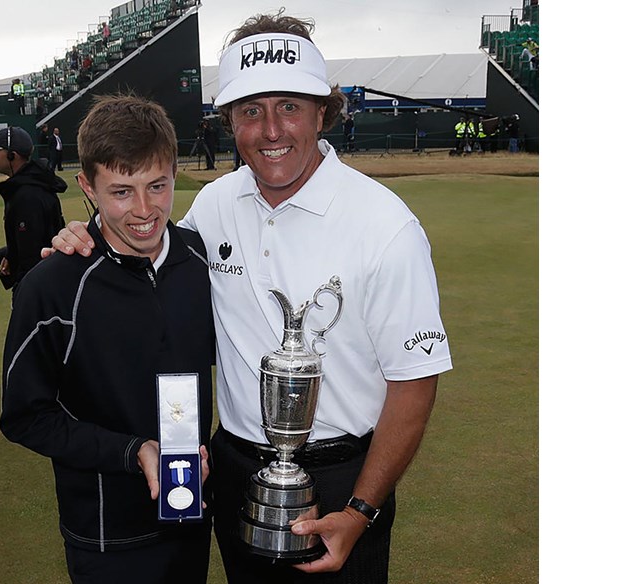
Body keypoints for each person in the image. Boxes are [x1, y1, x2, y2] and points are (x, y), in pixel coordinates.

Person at [48, 10, 452, 584]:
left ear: (322, 112)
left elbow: (415, 379)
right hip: (235, 473)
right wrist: (84, 232)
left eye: (289, 106)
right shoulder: (215, 204)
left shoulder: (385, 226)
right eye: (250, 111)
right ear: (230, 121)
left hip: (342, 480)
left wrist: (362, 509)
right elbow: (144, 247)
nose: (271, 130)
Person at [0, 94, 215, 583]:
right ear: (88, 187)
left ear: (175, 173)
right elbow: (25, 417)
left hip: (191, 522)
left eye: (157, 186)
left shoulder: (201, 262)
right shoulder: (52, 286)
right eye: (121, 191)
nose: (144, 210)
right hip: (105, 540)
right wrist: (132, 450)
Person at [0, 126, 67, 302]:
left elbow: (32, 255)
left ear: (12, 155)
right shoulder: (29, 188)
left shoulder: (27, 196)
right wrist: (11, 254)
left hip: (38, 292)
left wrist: (23, 297)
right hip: (47, 285)